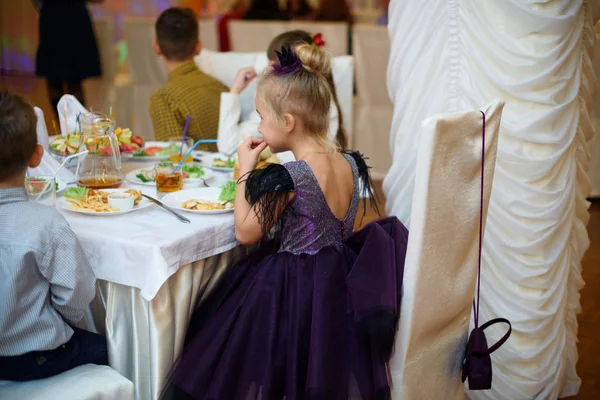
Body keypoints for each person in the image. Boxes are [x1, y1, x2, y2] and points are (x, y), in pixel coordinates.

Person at [163, 44, 408, 400]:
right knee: (319, 369)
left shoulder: (291, 177)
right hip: (338, 281)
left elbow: (246, 232)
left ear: (288, 122)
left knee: (272, 362)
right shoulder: (351, 164)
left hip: (293, 288)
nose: (258, 125)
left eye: (261, 116)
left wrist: (246, 170)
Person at [0, 89, 106, 381]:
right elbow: (78, 294)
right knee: (110, 349)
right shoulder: (47, 223)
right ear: (37, 156)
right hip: (35, 358)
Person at [218, 30, 348, 157]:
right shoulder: (277, 103)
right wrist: (234, 91)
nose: (269, 72)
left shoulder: (318, 111)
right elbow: (228, 147)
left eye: (275, 67)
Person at [150, 7, 228, 151]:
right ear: (198, 47)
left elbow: (174, 160)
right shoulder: (221, 88)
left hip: (199, 172)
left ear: (157, 47)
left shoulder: (164, 99)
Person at [35, 0, 103, 118]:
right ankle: (67, 127)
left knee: (72, 80)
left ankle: (75, 127)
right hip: (56, 19)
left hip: (69, 19)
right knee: (57, 80)